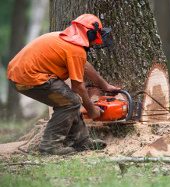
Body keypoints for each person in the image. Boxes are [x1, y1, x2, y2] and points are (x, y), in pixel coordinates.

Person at [6, 14, 120, 155]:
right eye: (95, 38)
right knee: (70, 102)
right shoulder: (76, 49)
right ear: (90, 34)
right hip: (29, 79)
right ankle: (49, 146)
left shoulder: (65, 40)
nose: (96, 42)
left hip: (18, 76)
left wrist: (105, 85)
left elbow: (83, 65)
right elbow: (77, 87)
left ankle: (81, 141)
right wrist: (91, 109)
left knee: (69, 101)